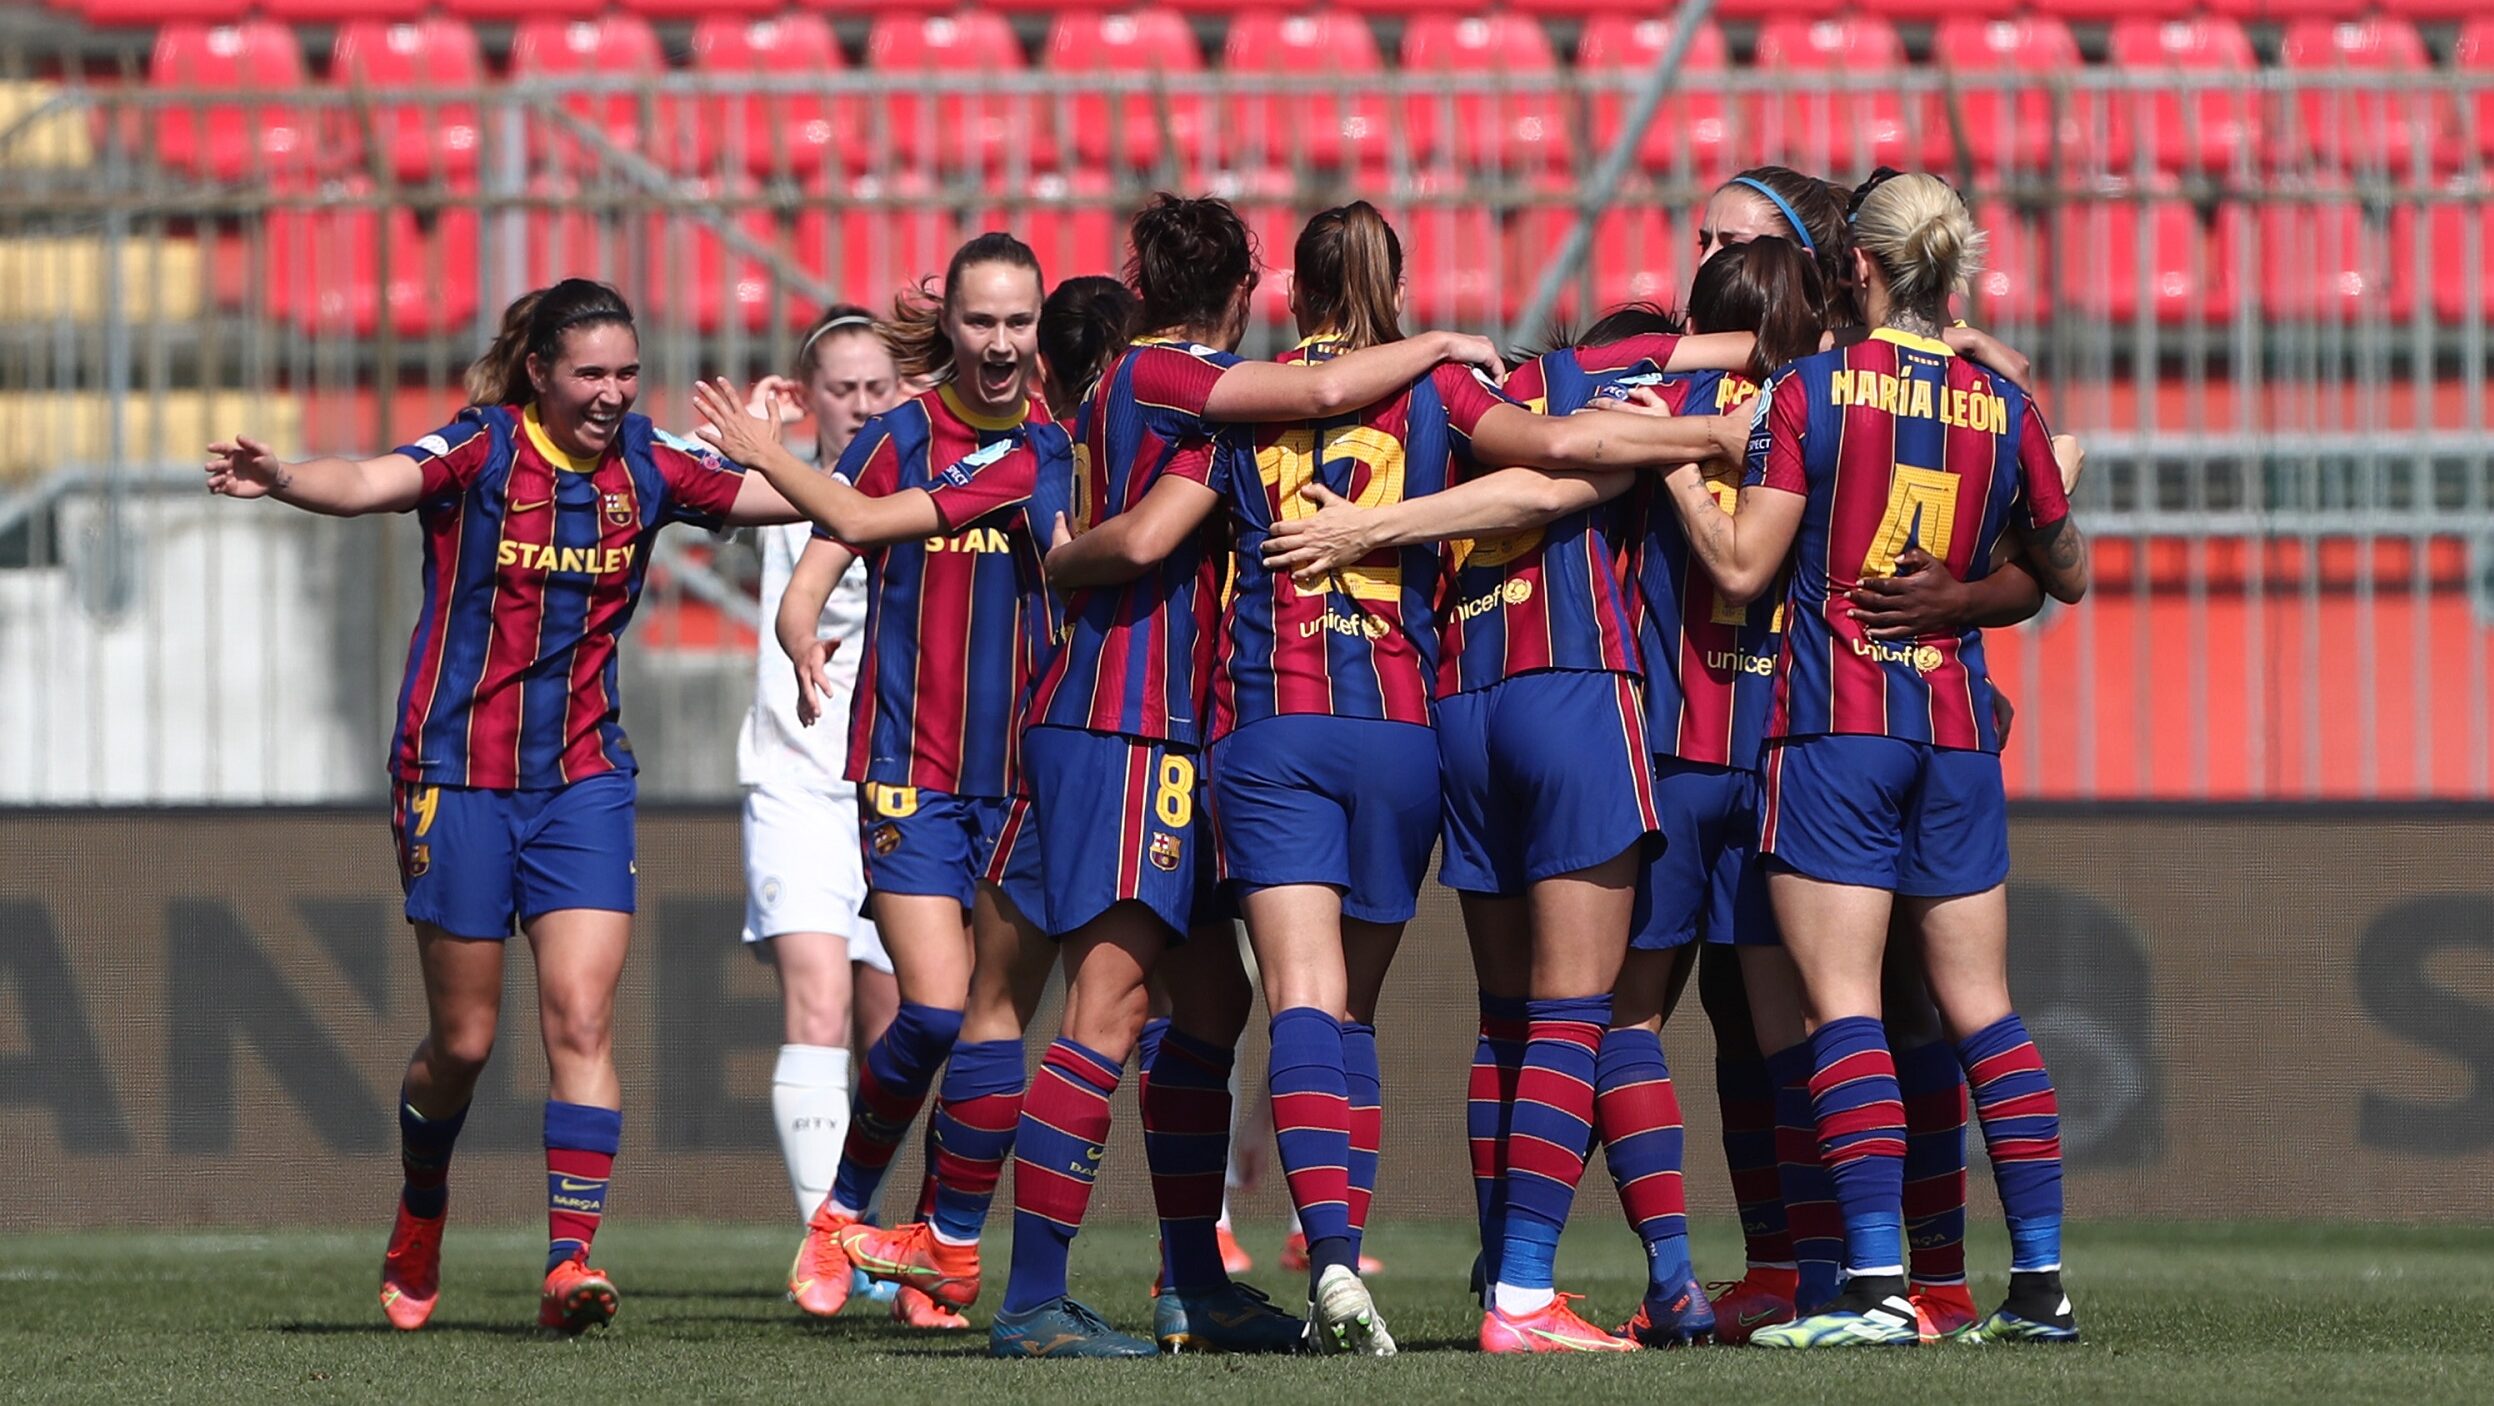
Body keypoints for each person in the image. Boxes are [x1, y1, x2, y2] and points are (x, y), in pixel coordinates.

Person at [992, 191, 1628, 1360]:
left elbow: (1158, 521)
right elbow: (1166, 520)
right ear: (1238, 293)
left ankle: (1201, 1280)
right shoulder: (1180, 380)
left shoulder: (1216, 412)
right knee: (1125, 1004)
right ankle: (1034, 1297)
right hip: (1138, 722)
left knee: (1229, 1005)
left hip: (1218, 727)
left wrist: (1060, 558)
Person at [204, 279, 806, 1334]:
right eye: (591, 373)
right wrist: (290, 475)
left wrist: (770, 449)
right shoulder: (483, 447)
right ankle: (423, 1204)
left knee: (580, 1012)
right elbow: (368, 479)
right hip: (456, 777)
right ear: (539, 371)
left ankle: (569, 1257)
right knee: (466, 1041)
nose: (613, 392)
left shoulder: (653, 465)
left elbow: (799, 503)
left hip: (582, 779)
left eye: (626, 371)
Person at [1652, 172, 2089, 1349]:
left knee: (1840, 1007)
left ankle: (1874, 1286)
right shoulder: (2002, 401)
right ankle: (2039, 1285)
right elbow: (2070, 567)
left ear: (1858, 267)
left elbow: (1742, 568)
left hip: (1835, 727)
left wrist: (1680, 469)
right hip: (1952, 728)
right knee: (1983, 1012)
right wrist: (1964, 589)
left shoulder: (1813, 390)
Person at [693, 274, 1137, 1326]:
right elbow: (824, 557)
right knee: (936, 1003)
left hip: (1026, 772)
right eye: (978, 320)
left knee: (992, 1024)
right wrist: (801, 634)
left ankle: (939, 1237)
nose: (997, 340)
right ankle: (845, 1207)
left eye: (1015, 322)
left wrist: (769, 458)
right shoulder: (898, 435)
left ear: (1039, 331)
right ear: (950, 327)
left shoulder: (1056, 447)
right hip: (910, 765)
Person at [733, 305, 906, 1245]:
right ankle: (833, 1248)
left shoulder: (931, 474)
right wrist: (756, 440)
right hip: (795, 784)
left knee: (896, 1027)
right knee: (819, 1000)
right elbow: (680, 481)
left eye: (878, 386)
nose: (862, 404)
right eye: (841, 389)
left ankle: (865, 1221)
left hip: (896, 782)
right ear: (811, 398)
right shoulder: (778, 479)